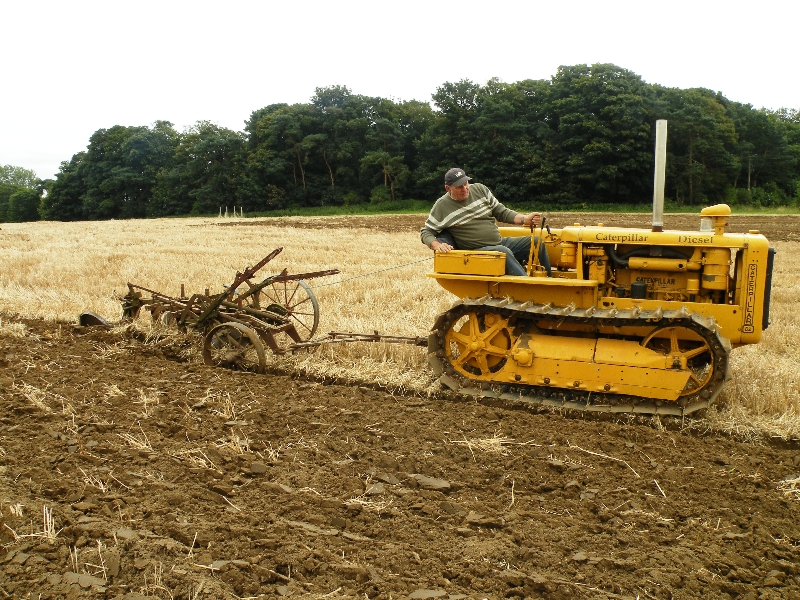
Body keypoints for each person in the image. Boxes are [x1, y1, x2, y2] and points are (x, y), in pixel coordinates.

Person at [420, 167, 551, 276]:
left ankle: (549, 282)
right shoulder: (442, 206)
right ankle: (528, 287)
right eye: (459, 187)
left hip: (499, 242)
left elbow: (501, 212)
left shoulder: (480, 189)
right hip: (477, 251)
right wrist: (437, 245)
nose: (465, 188)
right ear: (448, 188)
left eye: (466, 183)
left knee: (536, 242)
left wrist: (524, 219)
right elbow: (426, 231)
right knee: (502, 252)